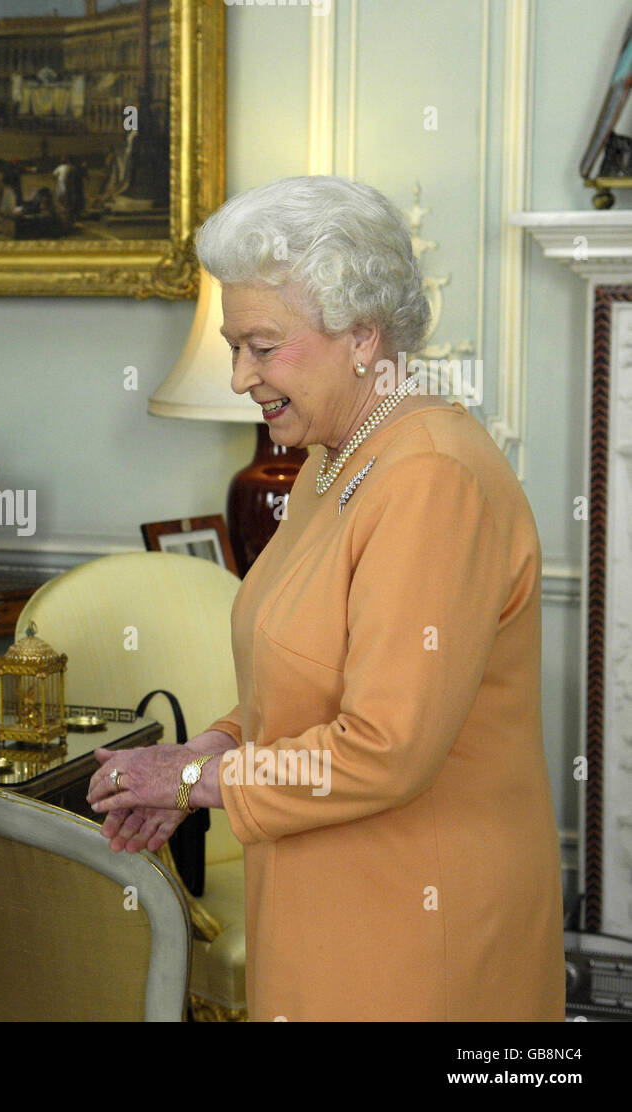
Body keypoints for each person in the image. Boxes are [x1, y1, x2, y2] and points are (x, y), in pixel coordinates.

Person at [87, 175, 565, 1021]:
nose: (240, 376)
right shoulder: (333, 460)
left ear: (362, 336)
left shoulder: (429, 479)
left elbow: (386, 747)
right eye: (236, 346)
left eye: (262, 347)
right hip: (325, 900)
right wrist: (202, 751)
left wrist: (196, 777)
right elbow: (299, 676)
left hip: (415, 928)